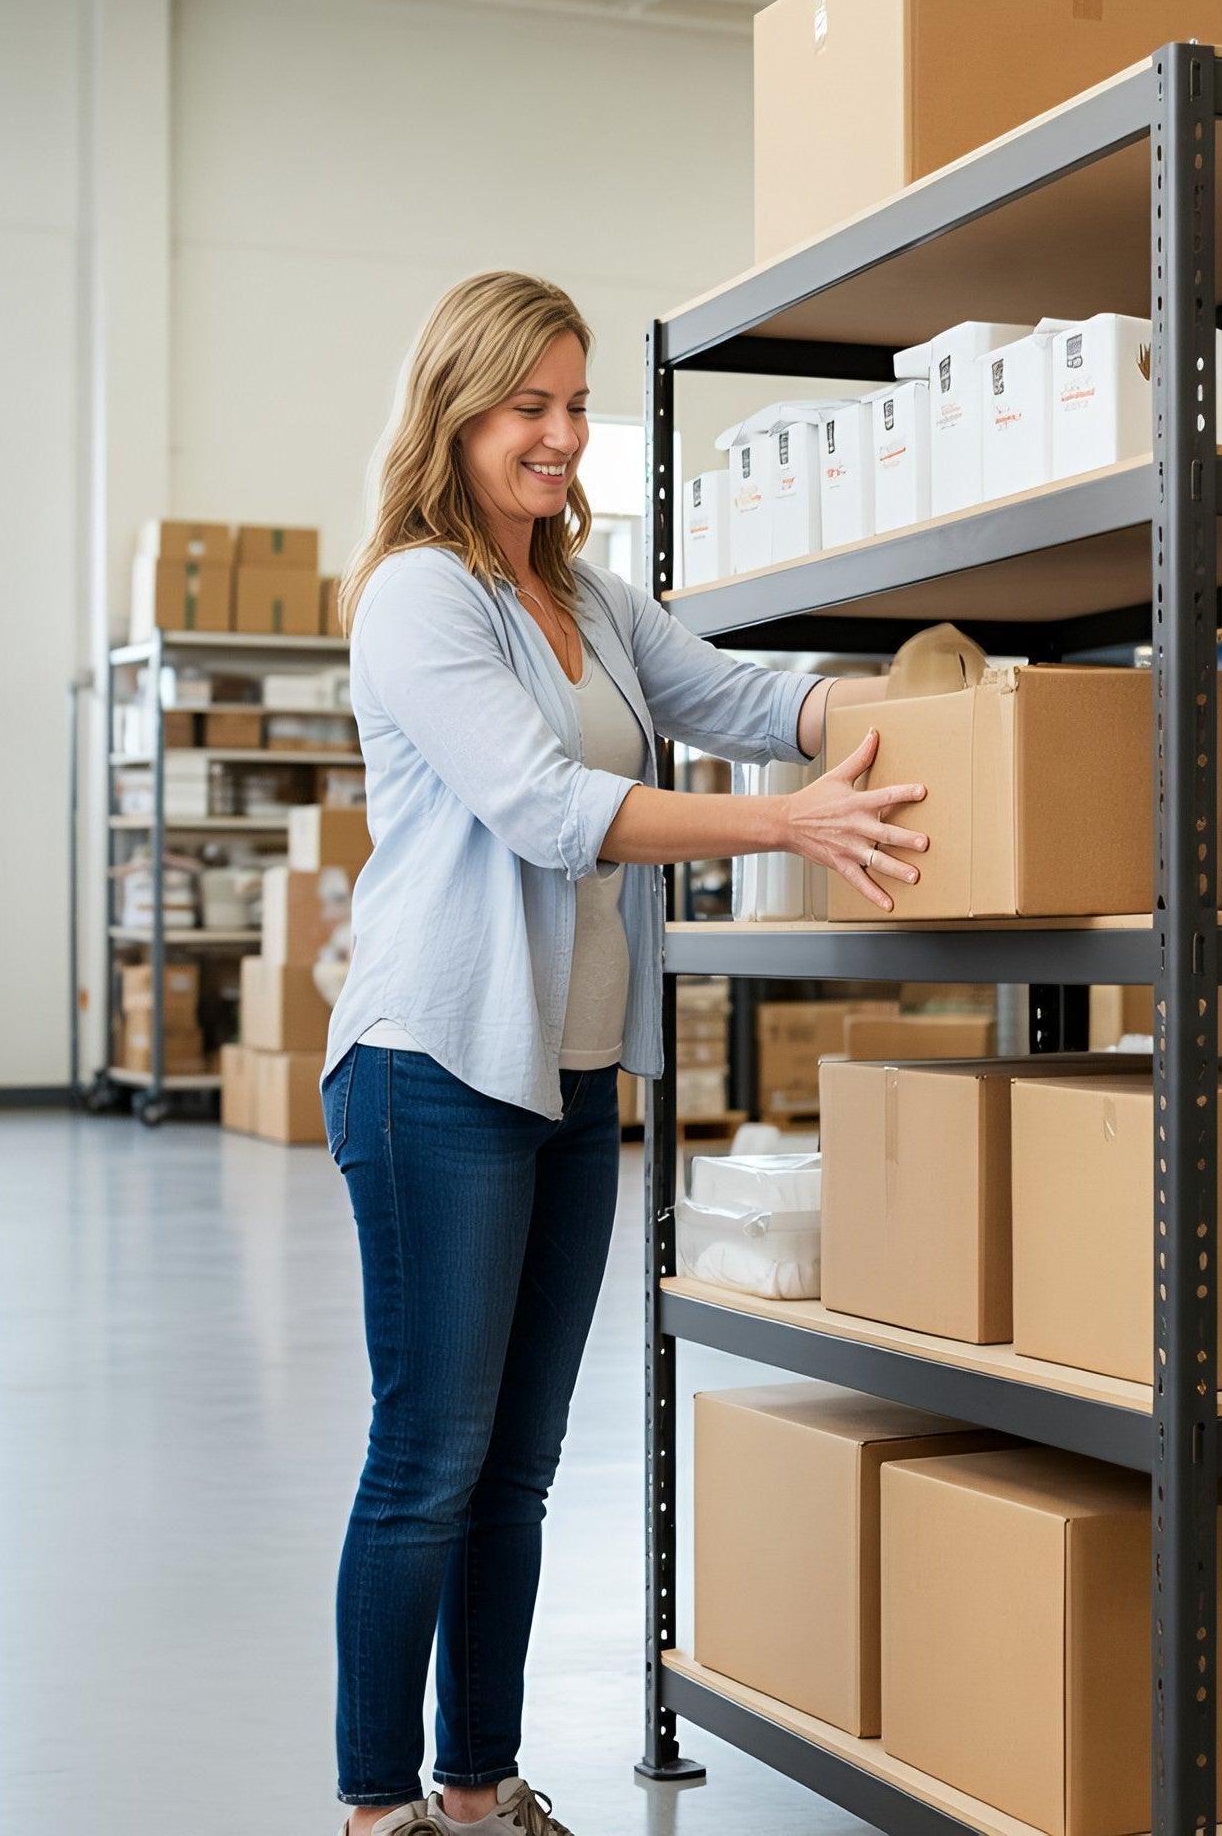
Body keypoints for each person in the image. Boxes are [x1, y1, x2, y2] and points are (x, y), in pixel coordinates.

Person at [324, 270, 928, 1836]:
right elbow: (545, 808)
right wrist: (779, 819)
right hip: (435, 1063)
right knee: (430, 1457)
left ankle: (478, 1791)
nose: (560, 437)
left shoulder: (585, 597)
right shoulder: (414, 597)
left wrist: (919, 708)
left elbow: (731, 691)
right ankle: (377, 1811)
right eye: (529, 405)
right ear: (455, 410)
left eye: (578, 404)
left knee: (519, 1465)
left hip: (572, 1073)